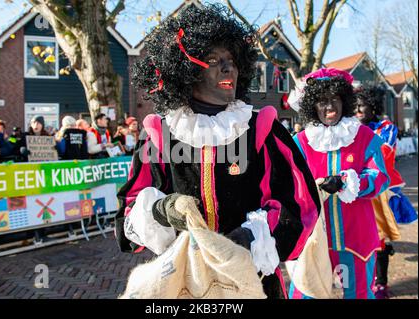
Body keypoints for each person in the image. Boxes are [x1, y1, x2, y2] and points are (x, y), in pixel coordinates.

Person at [116, 4, 321, 299]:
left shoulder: (262, 128)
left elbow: (302, 205)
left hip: (253, 281)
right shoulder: (160, 135)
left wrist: (252, 236)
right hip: (185, 283)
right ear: (185, 71)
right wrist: (161, 211)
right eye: (214, 60)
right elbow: (128, 219)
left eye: (232, 60)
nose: (228, 68)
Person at [288, 68, 390, 299]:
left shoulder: (365, 137)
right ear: (312, 106)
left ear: (345, 101)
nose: (329, 107)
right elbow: (289, 185)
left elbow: (380, 177)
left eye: (335, 99)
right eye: (322, 101)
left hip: (357, 236)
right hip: (313, 238)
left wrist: (348, 183)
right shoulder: (301, 142)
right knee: (306, 292)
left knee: (359, 294)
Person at [355, 86, 417, 298]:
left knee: (380, 239)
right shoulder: (350, 128)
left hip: (379, 193)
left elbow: (383, 153)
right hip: (356, 194)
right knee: (359, 239)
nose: (357, 109)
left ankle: (381, 283)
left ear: (373, 106)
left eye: (362, 104)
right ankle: (365, 280)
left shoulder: (386, 127)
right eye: (355, 105)